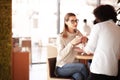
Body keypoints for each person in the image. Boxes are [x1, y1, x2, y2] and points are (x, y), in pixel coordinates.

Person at [78, 4, 120, 80]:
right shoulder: (118, 29)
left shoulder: (99, 27)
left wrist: (82, 47)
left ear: (100, 16)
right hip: (113, 71)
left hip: (99, 70)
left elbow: (89, 50)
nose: (96, 19)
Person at [55, 13, 89, 80]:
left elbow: (85, 43)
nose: (75, 23)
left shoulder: (77, 32)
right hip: (62, 67)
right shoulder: (60, 37)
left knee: (79, 77)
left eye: (76, 20)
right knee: (82, 67)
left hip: (74, 65)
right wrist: (71, 44)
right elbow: (61, 55)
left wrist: (86, 40)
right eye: (72, 21)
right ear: (66, 22)